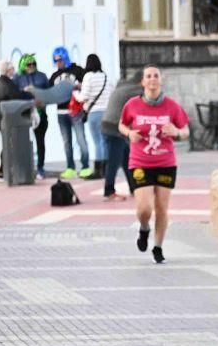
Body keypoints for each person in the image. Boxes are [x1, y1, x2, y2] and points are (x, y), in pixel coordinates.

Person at [117, 65, 190, 264]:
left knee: (161, 208)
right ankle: (144, 228)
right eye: (148, 76)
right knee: (144, 208)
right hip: (140, 161)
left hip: (165, 162)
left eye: (156, 76)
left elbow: (185, 131)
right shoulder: (132, 105)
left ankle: (157, 246)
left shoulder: (172, 106)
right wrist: (129, 133)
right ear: (143, 82)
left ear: (160, 80)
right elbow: (122, 124)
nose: (152, 79)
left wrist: (176, 132)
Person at [100, 70, 143, 201]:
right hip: (115, 128)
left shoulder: (123, 86)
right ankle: (109, 191)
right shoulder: (136, 90)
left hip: (109, 125)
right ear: (142, 81)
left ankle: (133, 188)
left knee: (127, 159)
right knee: (114, 161)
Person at [48, 47, 89, 179]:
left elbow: (87, 83)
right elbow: (49, 93)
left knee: (81, 139)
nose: (58, 63)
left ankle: (85, 166)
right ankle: (70, 167)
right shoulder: (54, 76)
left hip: (76, 111)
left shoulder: (77, 70)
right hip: (61, 112)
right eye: (56, 60)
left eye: (60, 60)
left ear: (65, 58)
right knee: (67, 142)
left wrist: (78, 86)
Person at [75, 54, 114, 180]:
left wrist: (75, 93)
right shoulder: (106, 77)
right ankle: (107, 169)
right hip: (107, 113)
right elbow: (111, 93)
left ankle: (98, 170)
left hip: (94, 113)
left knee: (97, 142)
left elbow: (83, 97)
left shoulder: (88, 77)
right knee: (105, 141)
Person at [0, 60, 34, 181]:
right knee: (8, 146)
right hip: (5, 119)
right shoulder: (4, 83)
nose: (14, 71)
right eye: (12, 69)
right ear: (7, 70)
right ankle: (2, 172)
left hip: (5, 119)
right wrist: (28, 94)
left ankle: (4, 171)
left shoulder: (5, 82)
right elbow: (15, 96)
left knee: (8, 145)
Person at [14, 54, 50, 179]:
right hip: (24, 113)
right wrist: (25, 91)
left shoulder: (42, 76)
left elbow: (48, 92)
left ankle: (40, 168)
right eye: (29, 64)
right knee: (24, 142)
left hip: (40, 113)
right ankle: (25, 168)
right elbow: (14, 94)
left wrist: (40, 96)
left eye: (33, 63)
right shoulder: (17, 78)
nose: (32, 66)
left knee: (40, 142)